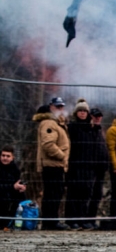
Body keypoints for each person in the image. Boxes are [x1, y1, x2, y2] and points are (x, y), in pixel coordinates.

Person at [66, 99, 106, 229]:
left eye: (84, 111)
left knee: (85, 194)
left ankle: (82, 219)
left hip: (89, 166)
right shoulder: (72, 127)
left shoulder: (92, 129)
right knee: (73, 193)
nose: (82, 113)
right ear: (76, 112)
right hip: (75, 165)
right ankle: (72, 220)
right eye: (80, 110)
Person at [34, 96, 70, 230]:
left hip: (56, 164)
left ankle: (51, 220)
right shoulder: (49, 123)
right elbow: (48, 144)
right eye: (57, 106)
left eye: (62, 106)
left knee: (55, 193)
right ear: (51, 107)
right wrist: (61, 156)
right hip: (52, 164)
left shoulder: (56, 123)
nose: (60, 109)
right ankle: (50, 222)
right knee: (52, 193)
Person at [1, 146, 28, 227]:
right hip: (2, 197)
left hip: (10, 196)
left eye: (8, 156)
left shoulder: (15, 169)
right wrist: (13, 187)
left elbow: (16, 184)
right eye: (3, 155)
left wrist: (21, 187)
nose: (5, 158)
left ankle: (15, 221)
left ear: (13, 157)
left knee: (22, 197)